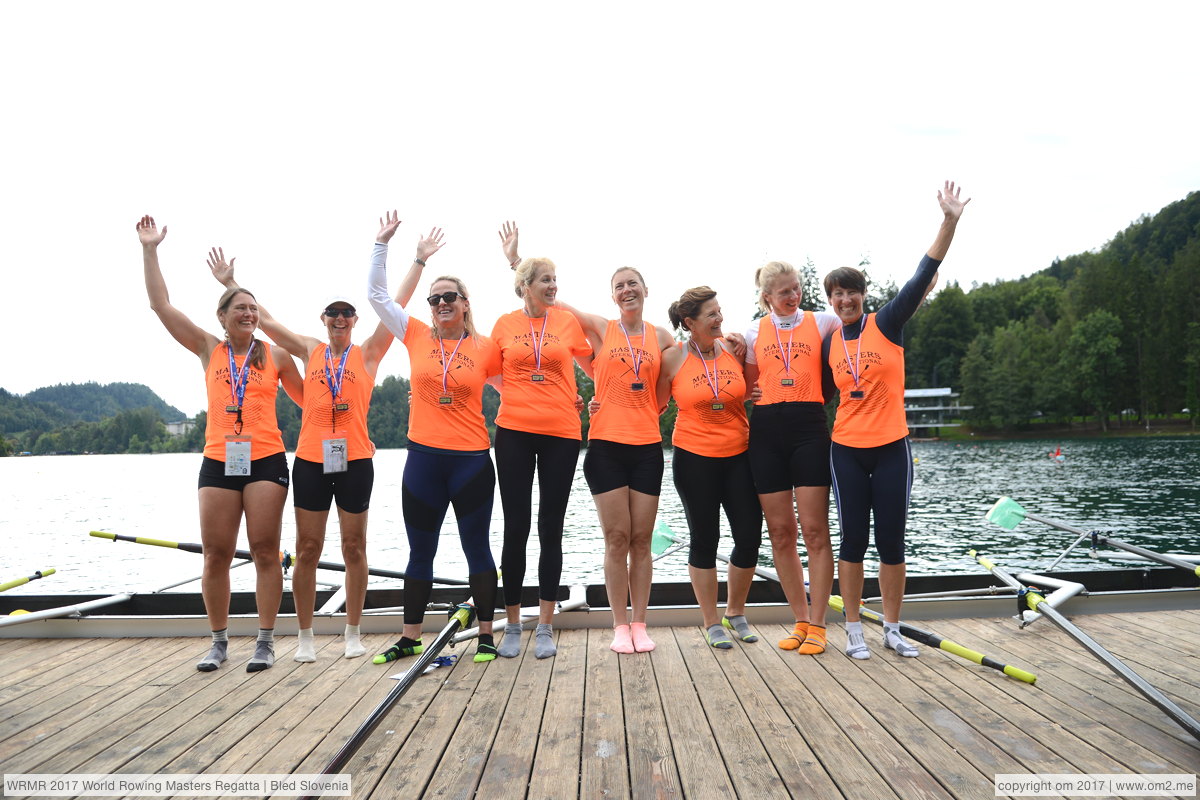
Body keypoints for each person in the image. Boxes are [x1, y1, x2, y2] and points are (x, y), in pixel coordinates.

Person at [207, 212, 437, 661]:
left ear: (354, 320)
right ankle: (307, 637)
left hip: (355, 461)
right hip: (311, 460)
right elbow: (262, 320)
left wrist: (417, 259)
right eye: (333, 313)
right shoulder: (310, 351)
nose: (340, 318)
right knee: (307, 548)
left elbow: (397, 305)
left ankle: (352, 632)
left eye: (347, 313)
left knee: (355, 547)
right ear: (323, 318)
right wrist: (231, 282)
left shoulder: (369, 353)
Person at [137, 215, 303, 673]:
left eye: (253, 308)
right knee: (216, 553)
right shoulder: (208, 348)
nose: (248, 314)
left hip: (266, 457)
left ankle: (265, 641)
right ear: (223, 317)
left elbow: (313, 401)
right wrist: (151, 249)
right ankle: (218, 641)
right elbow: (161, 305)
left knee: (266, 550)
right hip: (217, 460)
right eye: (239, 309)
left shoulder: (277, 354)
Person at [823, 180, 969, 660]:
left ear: (864, 295)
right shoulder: (828, 344)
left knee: (891, 539)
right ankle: (852, 629)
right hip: (845, 449)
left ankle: (890, 627)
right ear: (831, 300)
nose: (846, 300)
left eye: (852, 292)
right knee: (852, 540)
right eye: (838, 294)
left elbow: (925, 269)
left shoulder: (887, 323)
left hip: (891, 447)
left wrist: (948, 220)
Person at [368, 220, 502, 664]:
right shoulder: (415, 335)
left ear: (465, 305)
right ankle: (410, 637)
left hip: (471, 463)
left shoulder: (485, 348)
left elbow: (516, 388)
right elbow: (377, 297)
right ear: (430, 307)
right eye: (435, 298)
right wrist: (390, 247)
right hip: (423, 461)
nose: (443, 303)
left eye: (451, 297)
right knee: (419, 552)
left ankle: (485, 634)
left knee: (477, 549)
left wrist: (577, 399)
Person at [558, 265, 675, 654]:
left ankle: (640, 624)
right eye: (620, 286)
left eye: (633, 284)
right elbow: (558, 304)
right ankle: (619, 625)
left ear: (645, 290)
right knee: (617, 538)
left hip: (646, 448)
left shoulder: (661, 337)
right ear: (613, 296)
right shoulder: (601, 328)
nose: (627, 290)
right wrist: (517, 264)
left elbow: (687, 370)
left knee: (641, 540)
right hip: (606, 447)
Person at [491, 224, 594, 660]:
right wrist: (518, 394)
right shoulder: (504, 324)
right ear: (525, 288)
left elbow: (595, 365)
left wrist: (596, 399)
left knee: (551, 526)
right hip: (513, 430)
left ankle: (546, 624)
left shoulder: (566, 322)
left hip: (561, 433)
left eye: (555, 280)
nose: (552, 286)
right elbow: (489, 372)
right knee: (516, 527)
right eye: (545, 280)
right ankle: (514, 623)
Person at [742, 263, 842, 654]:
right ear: (767, 297)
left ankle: (819, 624)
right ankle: (800, 619)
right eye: (784, 292)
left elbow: (860, 331)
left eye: (796, 289)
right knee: (781, 532)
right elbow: (749, 385)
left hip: (808, 429)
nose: (793, 296)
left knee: (815, 530)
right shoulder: (753, 331)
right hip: (766, 432)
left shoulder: (824, 322)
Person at [660, 287, 763, 649]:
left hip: (739, 455)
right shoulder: (672, 359)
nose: (720, 318)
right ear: (690, 323)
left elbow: (753, 390)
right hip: (693, 458)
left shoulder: (734, 349)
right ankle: (710, 621)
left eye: (720, 311)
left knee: (750, 535)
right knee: (706, 539)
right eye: (712, 314)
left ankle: (735, 612)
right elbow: (653, 404)